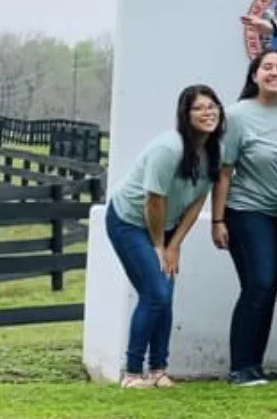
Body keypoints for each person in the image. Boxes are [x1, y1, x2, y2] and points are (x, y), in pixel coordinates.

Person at [105, 84, 225, 388]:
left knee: (165, 296)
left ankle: (158, 369)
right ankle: (132, 372)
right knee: (155, 292)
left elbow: (198, 200)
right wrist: (159, 245)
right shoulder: (168, 149)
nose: (207, 113)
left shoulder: (214, 150)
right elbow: (153, 201)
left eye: (212, 106)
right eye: (198, 108)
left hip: (166, 226)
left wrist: (174, 245)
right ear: (185, 115)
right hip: (130, 221)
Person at [210, 49, 277, 386]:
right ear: (255, 75)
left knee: (268, 289)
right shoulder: (236, 115)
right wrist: (217, 220)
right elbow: (224, 172)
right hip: (248, 211)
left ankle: (255, 366)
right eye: (267, 67)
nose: (275, 73)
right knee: (259, 284)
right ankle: (240, 368)